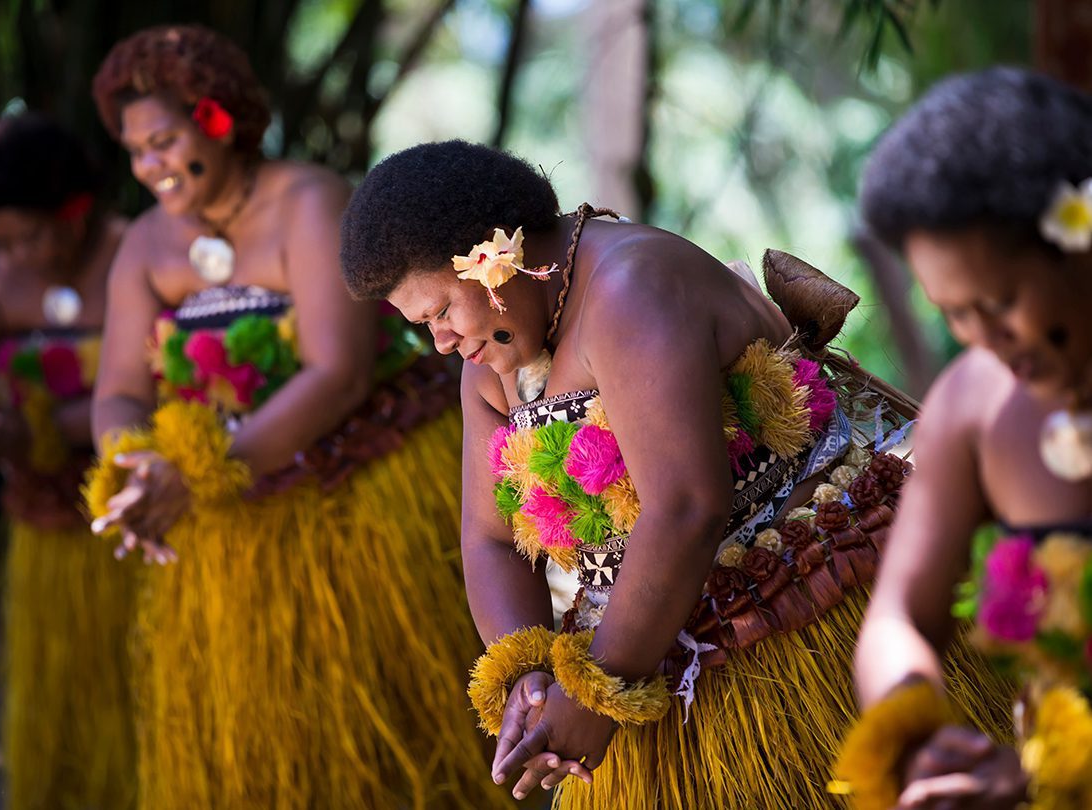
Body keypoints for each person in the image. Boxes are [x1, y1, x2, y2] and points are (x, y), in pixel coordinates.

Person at [339, 139, 1014, 809]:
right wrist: (530, 674)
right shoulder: (490, 368)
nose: (442, 342)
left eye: (438, 313)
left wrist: (600, 687)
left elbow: (686, 506)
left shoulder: (628, 290)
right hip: (655, 649)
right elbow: (489, 539)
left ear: (494, 257)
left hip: (808, 608)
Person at [86, 25, 507, 809]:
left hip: (356, 501)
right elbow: (116, 390)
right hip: (228, 527)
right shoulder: (144, 244)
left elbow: (337, 371)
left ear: (216, 119)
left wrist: (206, 467)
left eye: (166, 141)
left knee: (385, 720)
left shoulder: (306, 201)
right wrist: (138, 460)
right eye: (135, 150)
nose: (151, 167)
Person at [837, 67, 1092, 810]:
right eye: (953, 312)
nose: (984, 338)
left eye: (1000, 300)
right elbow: (898, 618)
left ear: (1078, 235)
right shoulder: (974, 404)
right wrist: (915, 726)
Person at [0, 113, 132, 810]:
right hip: (43, 525)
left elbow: (155, 388)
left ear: (78, 211)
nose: (16, 255)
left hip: (137, 523)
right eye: (2, 241)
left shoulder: (138, 258)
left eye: (30, 234)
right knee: (57, 697)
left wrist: (38, 428)